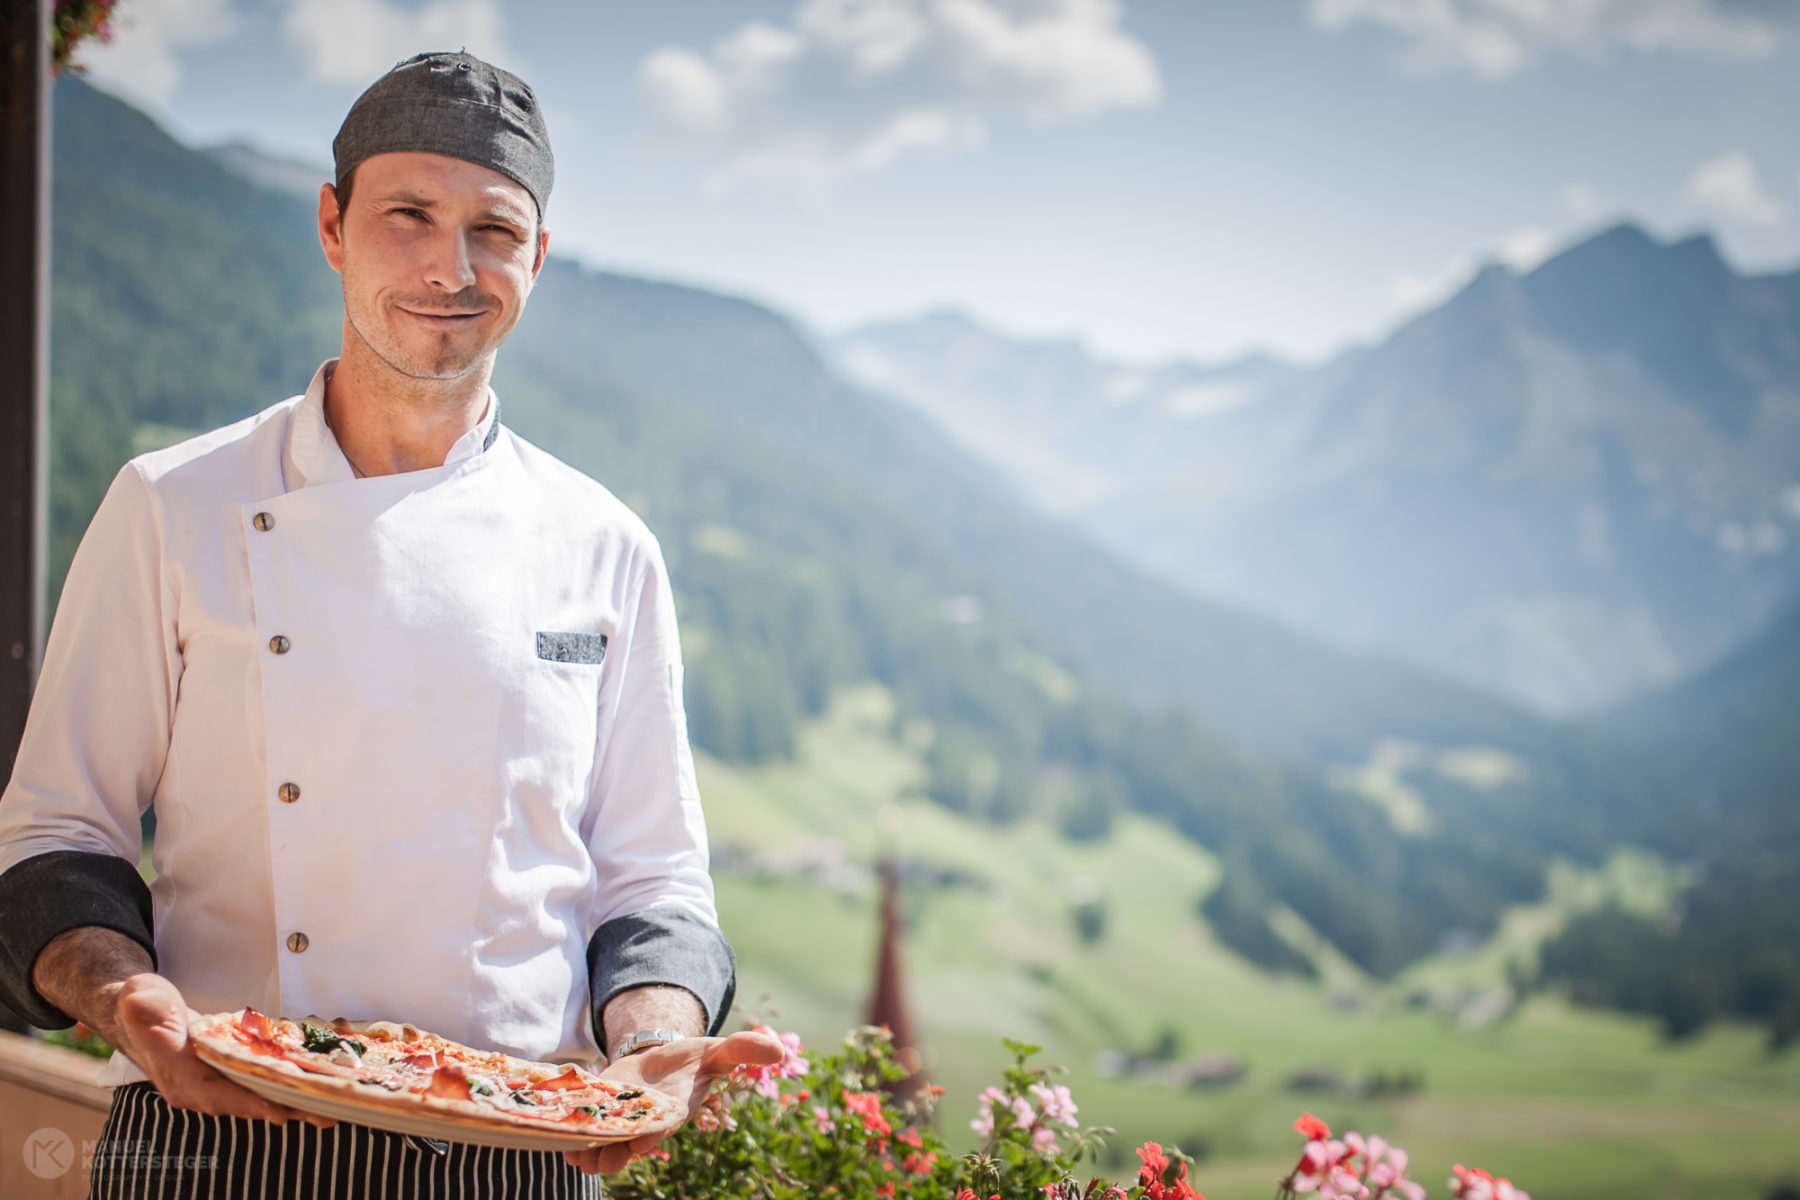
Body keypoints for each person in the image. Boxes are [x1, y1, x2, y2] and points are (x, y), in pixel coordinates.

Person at [0, 50, 778, 1197]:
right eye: (408, 215)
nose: (449, 268)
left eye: (493, 231)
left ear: (538, 259)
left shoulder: (606, 546)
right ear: (332, 226)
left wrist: (654, 1038)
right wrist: (122, 997)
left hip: (517, 1151)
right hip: (218, 1131)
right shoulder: (174, 504)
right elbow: (56, 834)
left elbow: (654, 883)